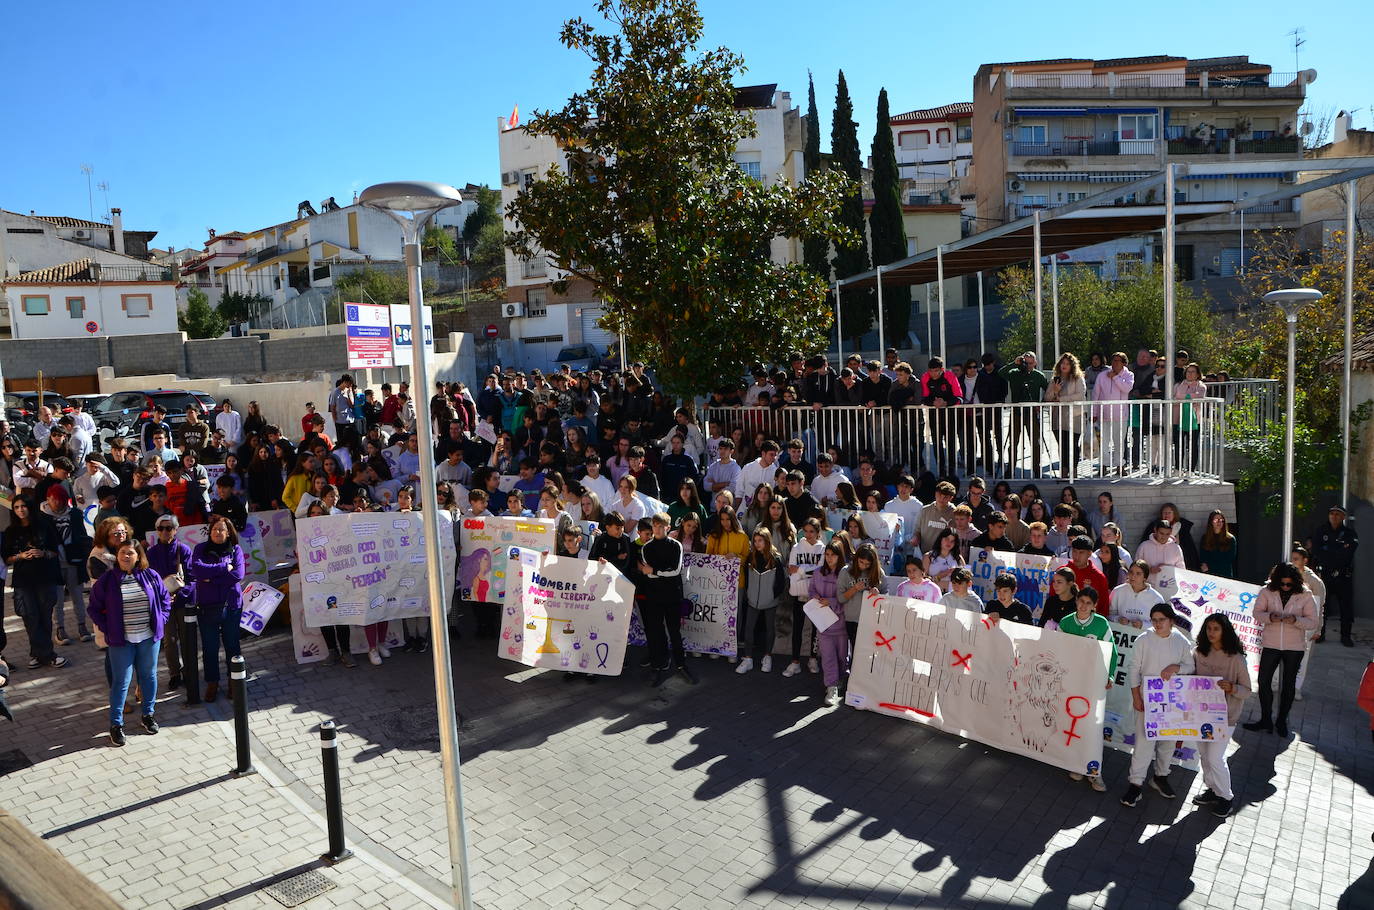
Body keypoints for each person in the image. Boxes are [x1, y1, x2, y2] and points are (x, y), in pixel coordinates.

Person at [87, 540, 171, 745]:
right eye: (122, 552)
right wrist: (109, 628)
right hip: (121, 641)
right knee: (121, 682)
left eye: (130, 553)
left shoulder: (151, 576)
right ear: (117, 556)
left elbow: (165, 600)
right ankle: (116, 725)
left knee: (148, 677)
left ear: (138, 556)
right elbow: (93, 608)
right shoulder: (108, 580)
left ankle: (148, 715)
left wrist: (162, 619)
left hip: (148, 638)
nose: (126, 556)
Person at [1120, 603, 1194, 808]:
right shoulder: (1144, 639)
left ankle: (1161, 777)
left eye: (1162, 619)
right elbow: (1134, 668)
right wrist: (1136, 696)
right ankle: (1135, 784)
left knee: (1168, 741)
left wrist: (1176, 667)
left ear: (1171, 621)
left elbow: (1190, 666)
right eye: (1154, 619)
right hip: (1147, 698)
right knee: (1144, 742)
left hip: (1172, 700)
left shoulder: (1181, 641)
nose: (1158, 623)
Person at [1244, 562, 1318, 737]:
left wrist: (1296, 620)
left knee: (1288, 685)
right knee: (1263, 681)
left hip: (1294, 646)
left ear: (1295, 582)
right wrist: (1270, 617)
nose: (1285, 587)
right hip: (1271, 643)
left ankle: (1282, 720)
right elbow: (1256, 613)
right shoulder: (1267, 591)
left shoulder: (1305, 594)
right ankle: (1265, 719)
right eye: (1282, 584)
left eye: (1289, 584)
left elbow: (1312, 622)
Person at [1191, 613, 1252, 818]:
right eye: (1209, 628)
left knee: (1215, 757)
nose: (1211, 633)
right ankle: (1213, 790)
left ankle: (1226, 797)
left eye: (1216, 629)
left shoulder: (1236, 658)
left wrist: (1232, 688)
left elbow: (1247, 690)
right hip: (1201, 715)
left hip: (1225, 718)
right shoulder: (1199, 653)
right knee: (1204, 756)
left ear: (1224, 631)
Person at [1057, 586, 1116, 791]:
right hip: (1072, 683)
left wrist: (1109, 675)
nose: (1083, 606)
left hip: (1092, 683)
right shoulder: (1065, 623)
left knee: (1093, 727)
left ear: (1094, 606)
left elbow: (1113, 653)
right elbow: (1058, 651)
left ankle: (1094, 772)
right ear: (1076, 601)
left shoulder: (1101, 624)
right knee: (1072, 723)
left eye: (1088, 603)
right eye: (1081, 601)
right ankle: (1076, 765)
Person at [3, 496, 68, 670]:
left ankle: (39, 654)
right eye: (16, 507)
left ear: (30, 507)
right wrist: (21, 556)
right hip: (23, 580)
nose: (20, 510)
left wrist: (42, 553)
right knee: (29, 616)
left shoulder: (44, 526)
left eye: (23, 506)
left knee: (45, 616)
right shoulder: (11, 531)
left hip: (44, 577)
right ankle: (45, 655)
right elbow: (7, 559)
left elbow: (55, 551)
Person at [188, 514, 246, 701]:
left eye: (221, 529)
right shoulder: (200, 549)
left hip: (231, 606)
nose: (217, 532)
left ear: (228, 533)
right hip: (207, 606)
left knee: (232, 645)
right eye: (214, 529)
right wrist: (223, 568)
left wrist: (210, 579)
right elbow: (197, 569)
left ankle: (233, 682)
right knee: (210, 648)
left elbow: (238, 574)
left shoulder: (235, 549)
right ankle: (212, 683)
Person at [639, 512, 694, 687]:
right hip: (654, 597)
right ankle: (657, 665)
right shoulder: (646, 548)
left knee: (674, 631)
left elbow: (675, 570)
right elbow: (651, 576)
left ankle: (680, 664)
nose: (658, 529)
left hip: (673, 596)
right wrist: (657, 572)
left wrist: (655, 571)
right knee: (655, 632)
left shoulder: (676, 545)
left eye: (661, 526)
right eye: (655, 526)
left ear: (668, 527)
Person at [43, 486, 92, 644]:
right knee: (57, 599)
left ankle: (82, 625)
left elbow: (82, 536)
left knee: (77, 595)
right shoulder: (43, 517)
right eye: (53, 499)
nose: (56, 502)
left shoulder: (75, 514)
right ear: (48, 500)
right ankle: (60, 629)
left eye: (60, 499)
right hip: (53, 563)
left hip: (74, 561)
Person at [737, 529, 786, 675]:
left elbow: (780, 582)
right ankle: (747, 659)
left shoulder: (775, 558)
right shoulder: (750, 558)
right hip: (753, 601)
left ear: (767, 541)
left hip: (770, 601)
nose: (757, 544)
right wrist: (749, 594)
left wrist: (772, 595)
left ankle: (767, 656)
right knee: (748, 628)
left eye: (761, 540)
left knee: (769, 629)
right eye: (755, 541)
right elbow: (747, 578)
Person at [1310, 504, 1358, 646]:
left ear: (1343, 517)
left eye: (1338, 514)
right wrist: (1335, 552)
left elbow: (1348, 553)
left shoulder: (1350, 533)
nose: (1334, 516)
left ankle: (1346, 636)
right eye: (1332, 513)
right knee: (1322, 606)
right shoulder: (1321, 531)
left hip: (1343, 576)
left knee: (1346, 607)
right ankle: (1320, 634)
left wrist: (1330, 553)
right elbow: (1317, 551)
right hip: (1325, 575)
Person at [808, 543, 850, 706]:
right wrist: (816, 597)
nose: (829, 557)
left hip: (841, 624)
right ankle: (831, 687)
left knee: (842, 657)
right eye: (827, 554)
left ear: (840, 556)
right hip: (823, 624)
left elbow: (848, 598)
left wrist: (831, 602)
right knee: (828, 658)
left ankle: (841, 681)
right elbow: (811, 590)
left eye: (833, 554)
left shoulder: (845, 574)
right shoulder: (818, 572)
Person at [1000, 352, 1048, 476]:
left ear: (1035, 363)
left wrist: (1041, 405)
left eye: (1030, 363)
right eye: (1025, 363)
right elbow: (1000, 373)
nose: (1027, 366)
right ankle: (1010, 468)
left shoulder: (1039, 376)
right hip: (1016, 412)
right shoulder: (1014, 373)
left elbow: (1048, 391)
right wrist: (1014, 363)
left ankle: (1036, 469)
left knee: (1035, 442)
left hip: (1032, 413)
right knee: (1013, 442)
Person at [1045, 353, 1087, 479]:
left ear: (1072, 365)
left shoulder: (1078, 378)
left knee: (1073, 445)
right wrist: (1055, 391)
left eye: (1067, 363)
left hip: (1075, 417)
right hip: (1058, 418)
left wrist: (1062, 398)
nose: (1064, 365)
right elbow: (1047, 398)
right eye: (1062, 363)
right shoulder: (1054, 379)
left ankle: (1073, 471)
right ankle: (1063, 472)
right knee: (1062, 446)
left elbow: (1081, 395)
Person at [1094, 353, 1135, 475]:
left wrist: (1115, 377)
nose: (1115, 363)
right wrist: (1094, 413)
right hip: (1103, 415)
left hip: (1121, 416)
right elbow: (1095, 394)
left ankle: (1119, 466)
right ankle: (1103, 465)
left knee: (1119, 442)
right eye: (1113, 360)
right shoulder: (1102, 375)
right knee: (1102, 442)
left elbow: (1127, 388)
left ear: (1124, 363)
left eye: (1118, 361)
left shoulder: (1129, 375)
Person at [1110, 560, 1164, 627]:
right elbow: (1109, 614)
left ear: (1145, 577)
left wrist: (1143, 625)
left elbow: (1161, 623)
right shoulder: (1117, 591)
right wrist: (1118, 619)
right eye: (1131, 572)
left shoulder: (1156, 598)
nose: (1133, 576)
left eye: (1138, 573)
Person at [1137, 519, 1185, 587]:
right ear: (1155, 530)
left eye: (1167, 534)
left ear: (1171, 532)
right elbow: (1136, 568)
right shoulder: (1144, 546)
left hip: (1169, 587)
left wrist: (1168, 569)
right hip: (1148, 587)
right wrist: (1149, 570)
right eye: (1161, 533)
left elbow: (1182, 571)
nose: (1164, 537)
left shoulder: (1176, 548)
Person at [1198, 510, 1237, 578]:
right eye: (1216, 520)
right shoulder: (1205, 538)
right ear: (1211, 522)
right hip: (1209, 575)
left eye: (1221, 520)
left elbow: (1229, 559)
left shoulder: (1230, 539)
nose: (1219, 522)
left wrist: (1210, 566)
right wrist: (1204, 565)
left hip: (1225, 574)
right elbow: (1202, 557)